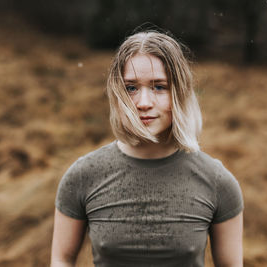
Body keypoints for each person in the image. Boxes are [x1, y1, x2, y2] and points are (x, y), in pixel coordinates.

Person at [51, 30, 244, 267]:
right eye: (131, 88)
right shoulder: (83, 175)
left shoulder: (218, 182)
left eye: (159, 87)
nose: (143, 103)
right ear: (117, 93)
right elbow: (62, 259)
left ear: (180, 92)